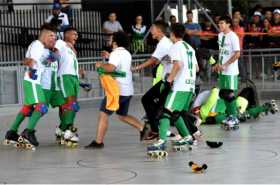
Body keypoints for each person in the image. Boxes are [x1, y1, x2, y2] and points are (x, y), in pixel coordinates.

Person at [85, 32, 147, 149]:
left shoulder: (116, 53)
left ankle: (98, 142)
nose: (109, 40)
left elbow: (110, 68)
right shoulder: (126, 53)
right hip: (127, 91)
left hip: (116, 91)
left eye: (111, 38)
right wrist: (109, 57)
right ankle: (143, 128)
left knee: (103, 114)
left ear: (115, 42)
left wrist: (100, 65)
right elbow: (121, 71)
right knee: (122, 115)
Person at [147, 23, 199, 155]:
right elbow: (197, 68)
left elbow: (178, 64)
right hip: (190, 86)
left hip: (180, 86)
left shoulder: (175, 46)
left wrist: (169, 80)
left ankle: (161, 141)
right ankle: (187, 137)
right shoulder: (190, 48)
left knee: (166, 112)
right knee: (176, 113)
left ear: (172, 34)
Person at [4, 24, 57, 148]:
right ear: (43, 35)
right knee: (42, 106)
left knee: (28, 107)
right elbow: (27, 60)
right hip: (32, 80)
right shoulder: (37, 45)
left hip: (35, 81)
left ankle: (11, 132)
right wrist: (29, 62)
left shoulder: (41, 47)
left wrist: (51, 57)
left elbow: (40, 63)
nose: (53, 38)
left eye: (54, 36)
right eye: (51, 35)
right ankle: (28, 132)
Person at [133, 20, 173, 140]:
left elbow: (152, 60)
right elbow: (156, 60)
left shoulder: (163, 43)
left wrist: (136, 68)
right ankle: (157, 129)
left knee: (148, 100)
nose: (151, 31)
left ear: (159, 31)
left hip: (169, 80)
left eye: (153, 28)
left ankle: (157, 130)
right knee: (157, 105)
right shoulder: (164, 42)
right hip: (169, 79)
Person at [212, 16, 240, 127]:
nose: (220, 25)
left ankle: (234, 117)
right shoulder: (220, 36)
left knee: (229, 93)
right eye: (219, 23)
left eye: (222, 23)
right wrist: (218, 64)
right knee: (223, 93)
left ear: (228, 24)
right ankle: (230, 115)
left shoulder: (233, 36)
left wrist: (225, 65)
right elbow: (222, 53)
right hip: (222, 70)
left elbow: (237, 54)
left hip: (231, 70)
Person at [55, 27, 80, 147]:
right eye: (73, 34)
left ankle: (61, 129)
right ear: (66, 35)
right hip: (65, 77)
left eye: (77, 34)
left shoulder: (72, 49)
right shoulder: (61, 43)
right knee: (70, 105)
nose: (76, 36)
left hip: (74, 78)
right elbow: (54, 53)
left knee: (73, 106)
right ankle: (68, 130)